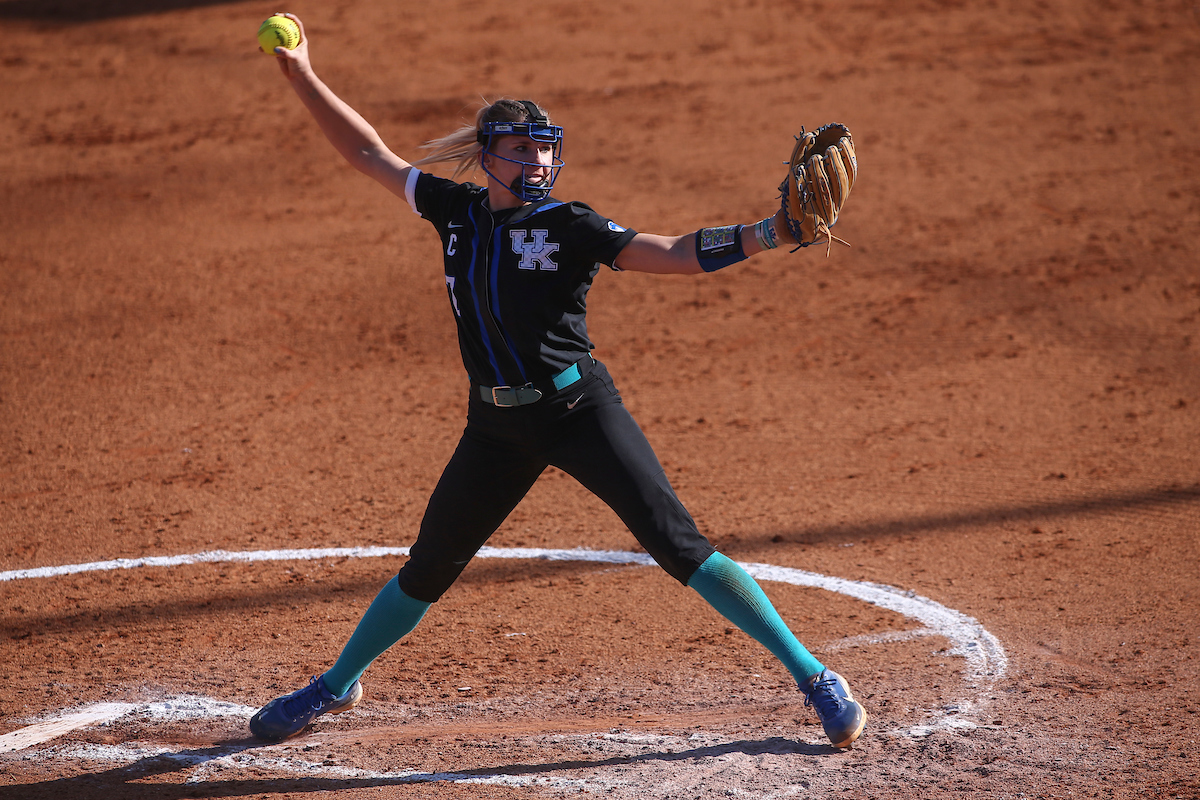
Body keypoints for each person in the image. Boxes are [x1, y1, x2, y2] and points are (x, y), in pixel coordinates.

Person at [249, 13, 866, 749]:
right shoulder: (456, 214)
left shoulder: (570, 225)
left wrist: (767, 234)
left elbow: (664, 251)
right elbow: (366, 151)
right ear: (488, 158)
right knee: (429, 566)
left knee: (677, 543)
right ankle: (336, 684)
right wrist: (303, 75)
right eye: (521, 151)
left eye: (545, 150)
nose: (537, 163)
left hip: (579, 408)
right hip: (495, 428)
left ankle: (815, 678)